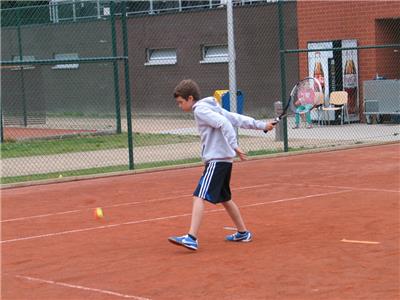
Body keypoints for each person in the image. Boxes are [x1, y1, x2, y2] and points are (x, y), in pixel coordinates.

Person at [168, 79, 275, 251]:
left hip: (217, 160)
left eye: (180, 102)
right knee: (225, 198)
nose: (179, 106)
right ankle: (243, 233)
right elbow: (236, 118)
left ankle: (191, 238)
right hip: (224, 161)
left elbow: (225, 123)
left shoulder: (200, 110)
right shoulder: (212, 107)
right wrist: (262, 125)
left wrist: (235, 145)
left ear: (190, 98)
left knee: (198, 196)